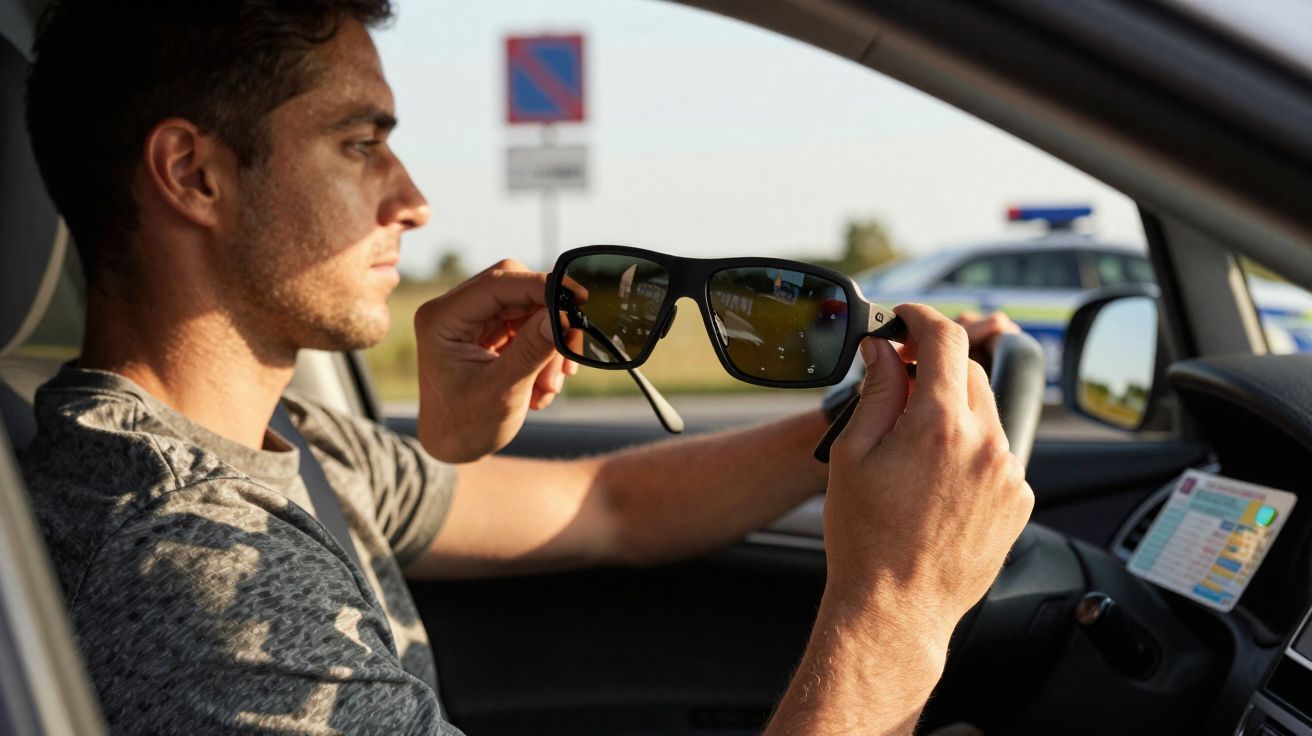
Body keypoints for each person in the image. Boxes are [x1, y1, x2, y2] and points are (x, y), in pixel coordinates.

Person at [19, 1, 1033, 734]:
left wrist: (866, 418)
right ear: (193, 174)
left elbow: (610, 504)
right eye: (360, 143)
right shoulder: (189, 571)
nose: (412, 199)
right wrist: (896, 609)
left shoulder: (294, 443)